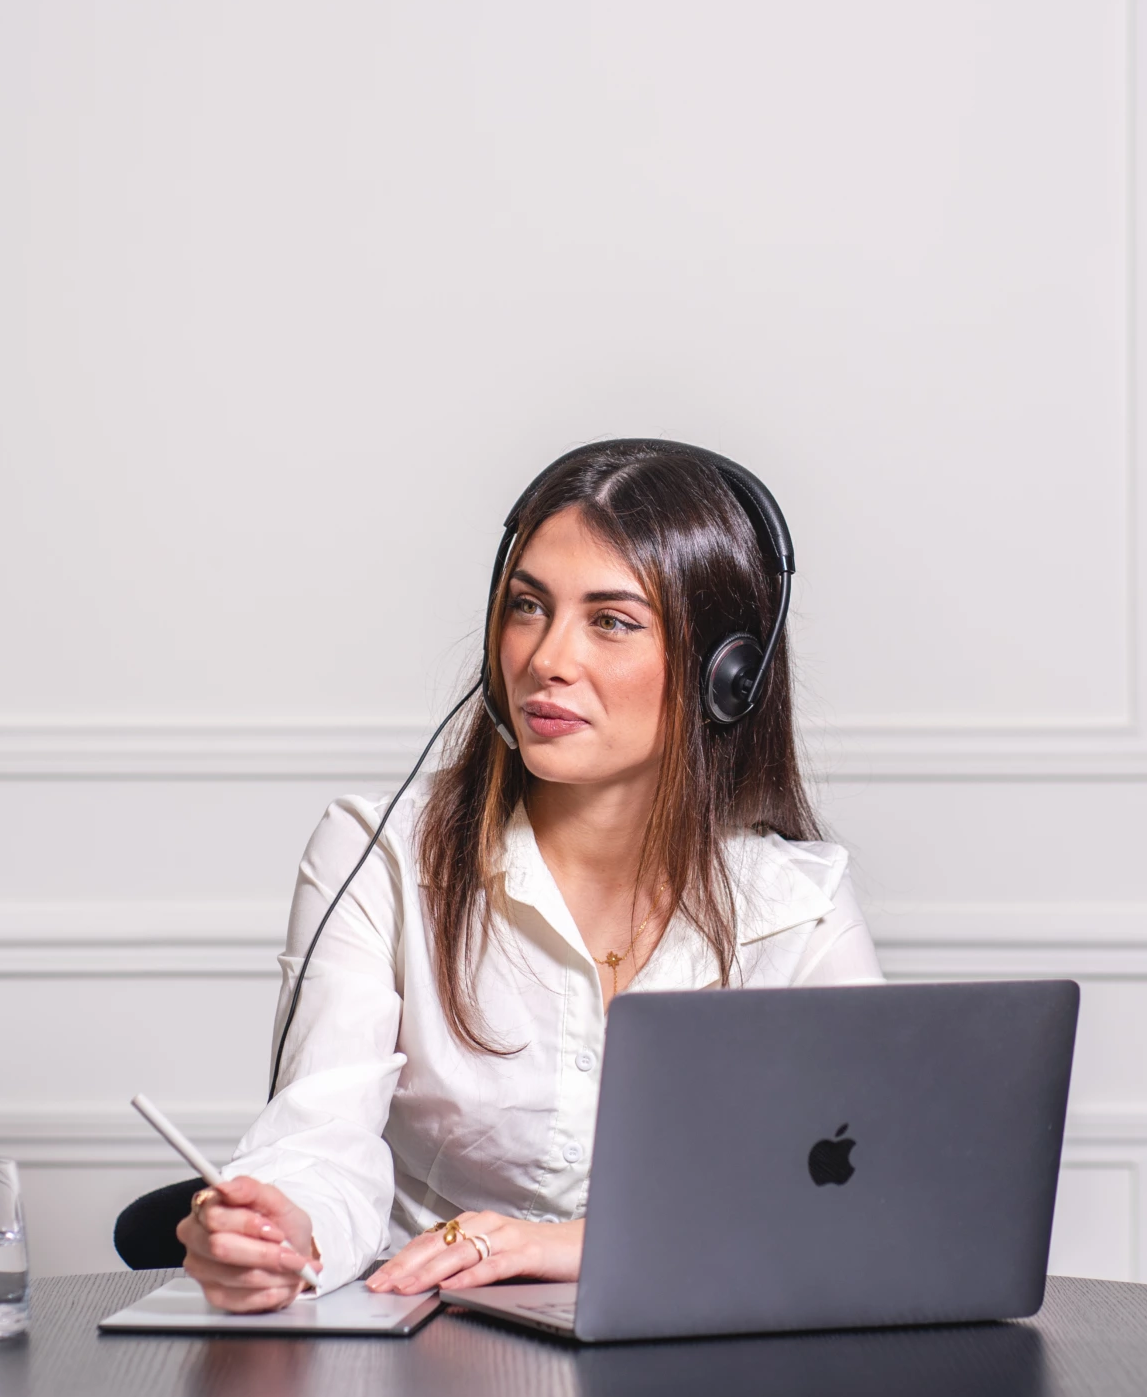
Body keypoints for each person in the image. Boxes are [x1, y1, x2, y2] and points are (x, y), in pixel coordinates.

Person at [113, 439, 882, 1312]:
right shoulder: (381, 853)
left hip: (692, 1359)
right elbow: (320, 1137)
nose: (547, 658)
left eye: (611, 620)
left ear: (727, 676)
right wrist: (290, 1229)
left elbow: (860, 1191)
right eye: (527, 606)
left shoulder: (799, 904)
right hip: (426, 1350)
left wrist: (577, 1247)